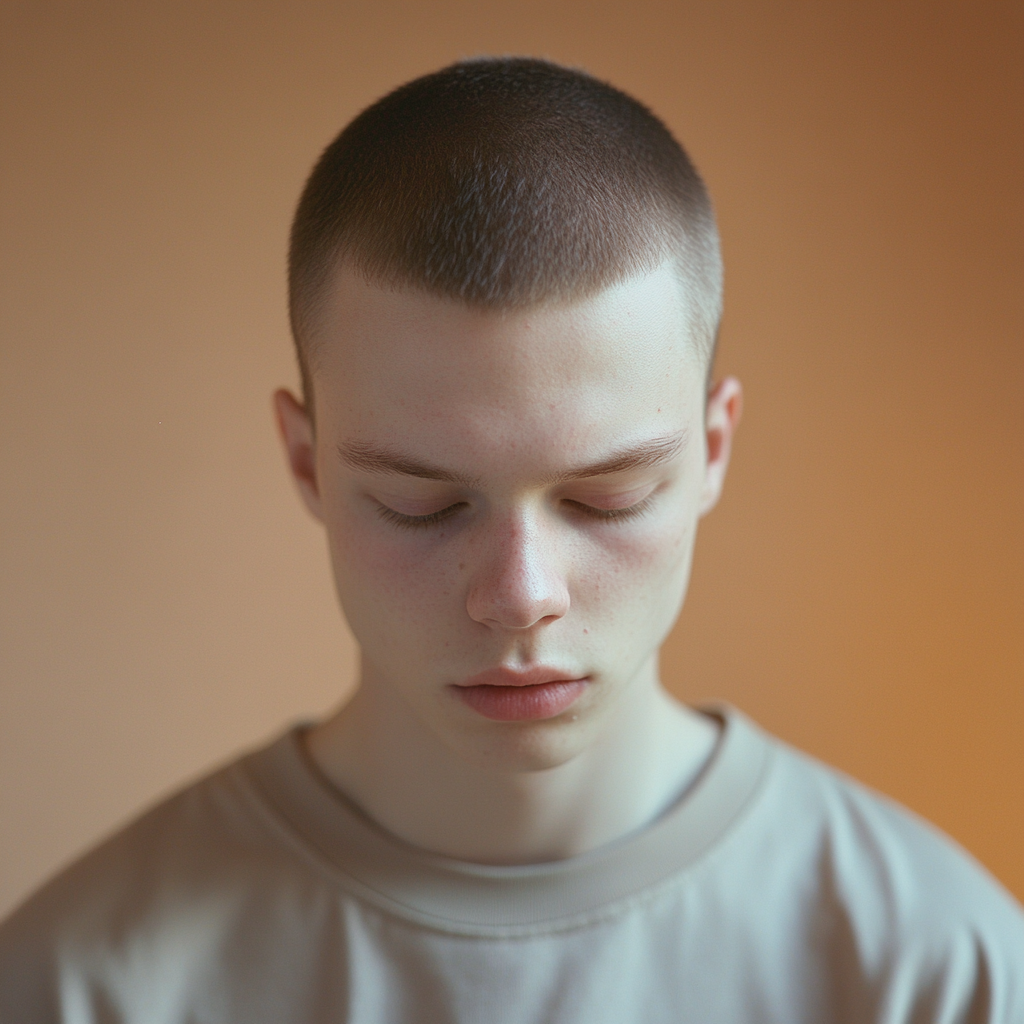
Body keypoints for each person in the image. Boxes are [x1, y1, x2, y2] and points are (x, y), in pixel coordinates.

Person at [0, 57, 1021, 1024]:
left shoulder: (938, 971)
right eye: (420, 502)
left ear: (712, 450)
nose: (520, 593)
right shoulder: (80, 983)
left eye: (607, 497)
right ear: (305, 462)